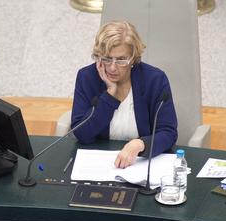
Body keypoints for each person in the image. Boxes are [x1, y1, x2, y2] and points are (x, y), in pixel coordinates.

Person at [71, 20, 178, 169]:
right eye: (107, 59)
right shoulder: (87, 77)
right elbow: (81, 134)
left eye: (121, 59)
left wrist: (140, 144)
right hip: (99, 165)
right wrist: (109, 95)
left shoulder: (154, 79)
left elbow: (168, 133)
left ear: (133, 58)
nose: (112, 68)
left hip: (142, 164)